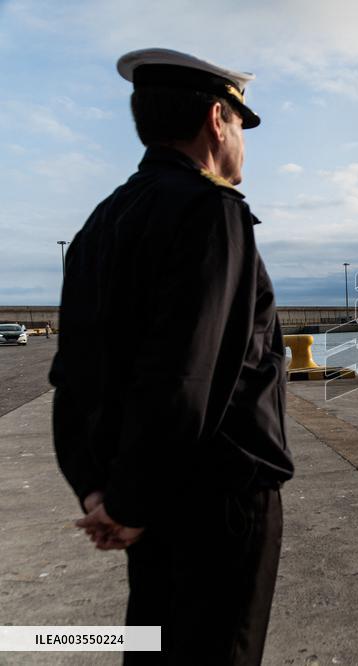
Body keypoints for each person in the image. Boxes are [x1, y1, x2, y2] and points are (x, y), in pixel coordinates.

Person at [49, 48, 294, 665]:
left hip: (140, 493)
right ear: (218, 118)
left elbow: (74, 372)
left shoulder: (101, 222)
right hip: (215, 498)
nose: (242, 143)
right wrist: (130, 504)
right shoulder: (213, 213)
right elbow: (185, 376)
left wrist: (98, 492)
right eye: (241, 125)